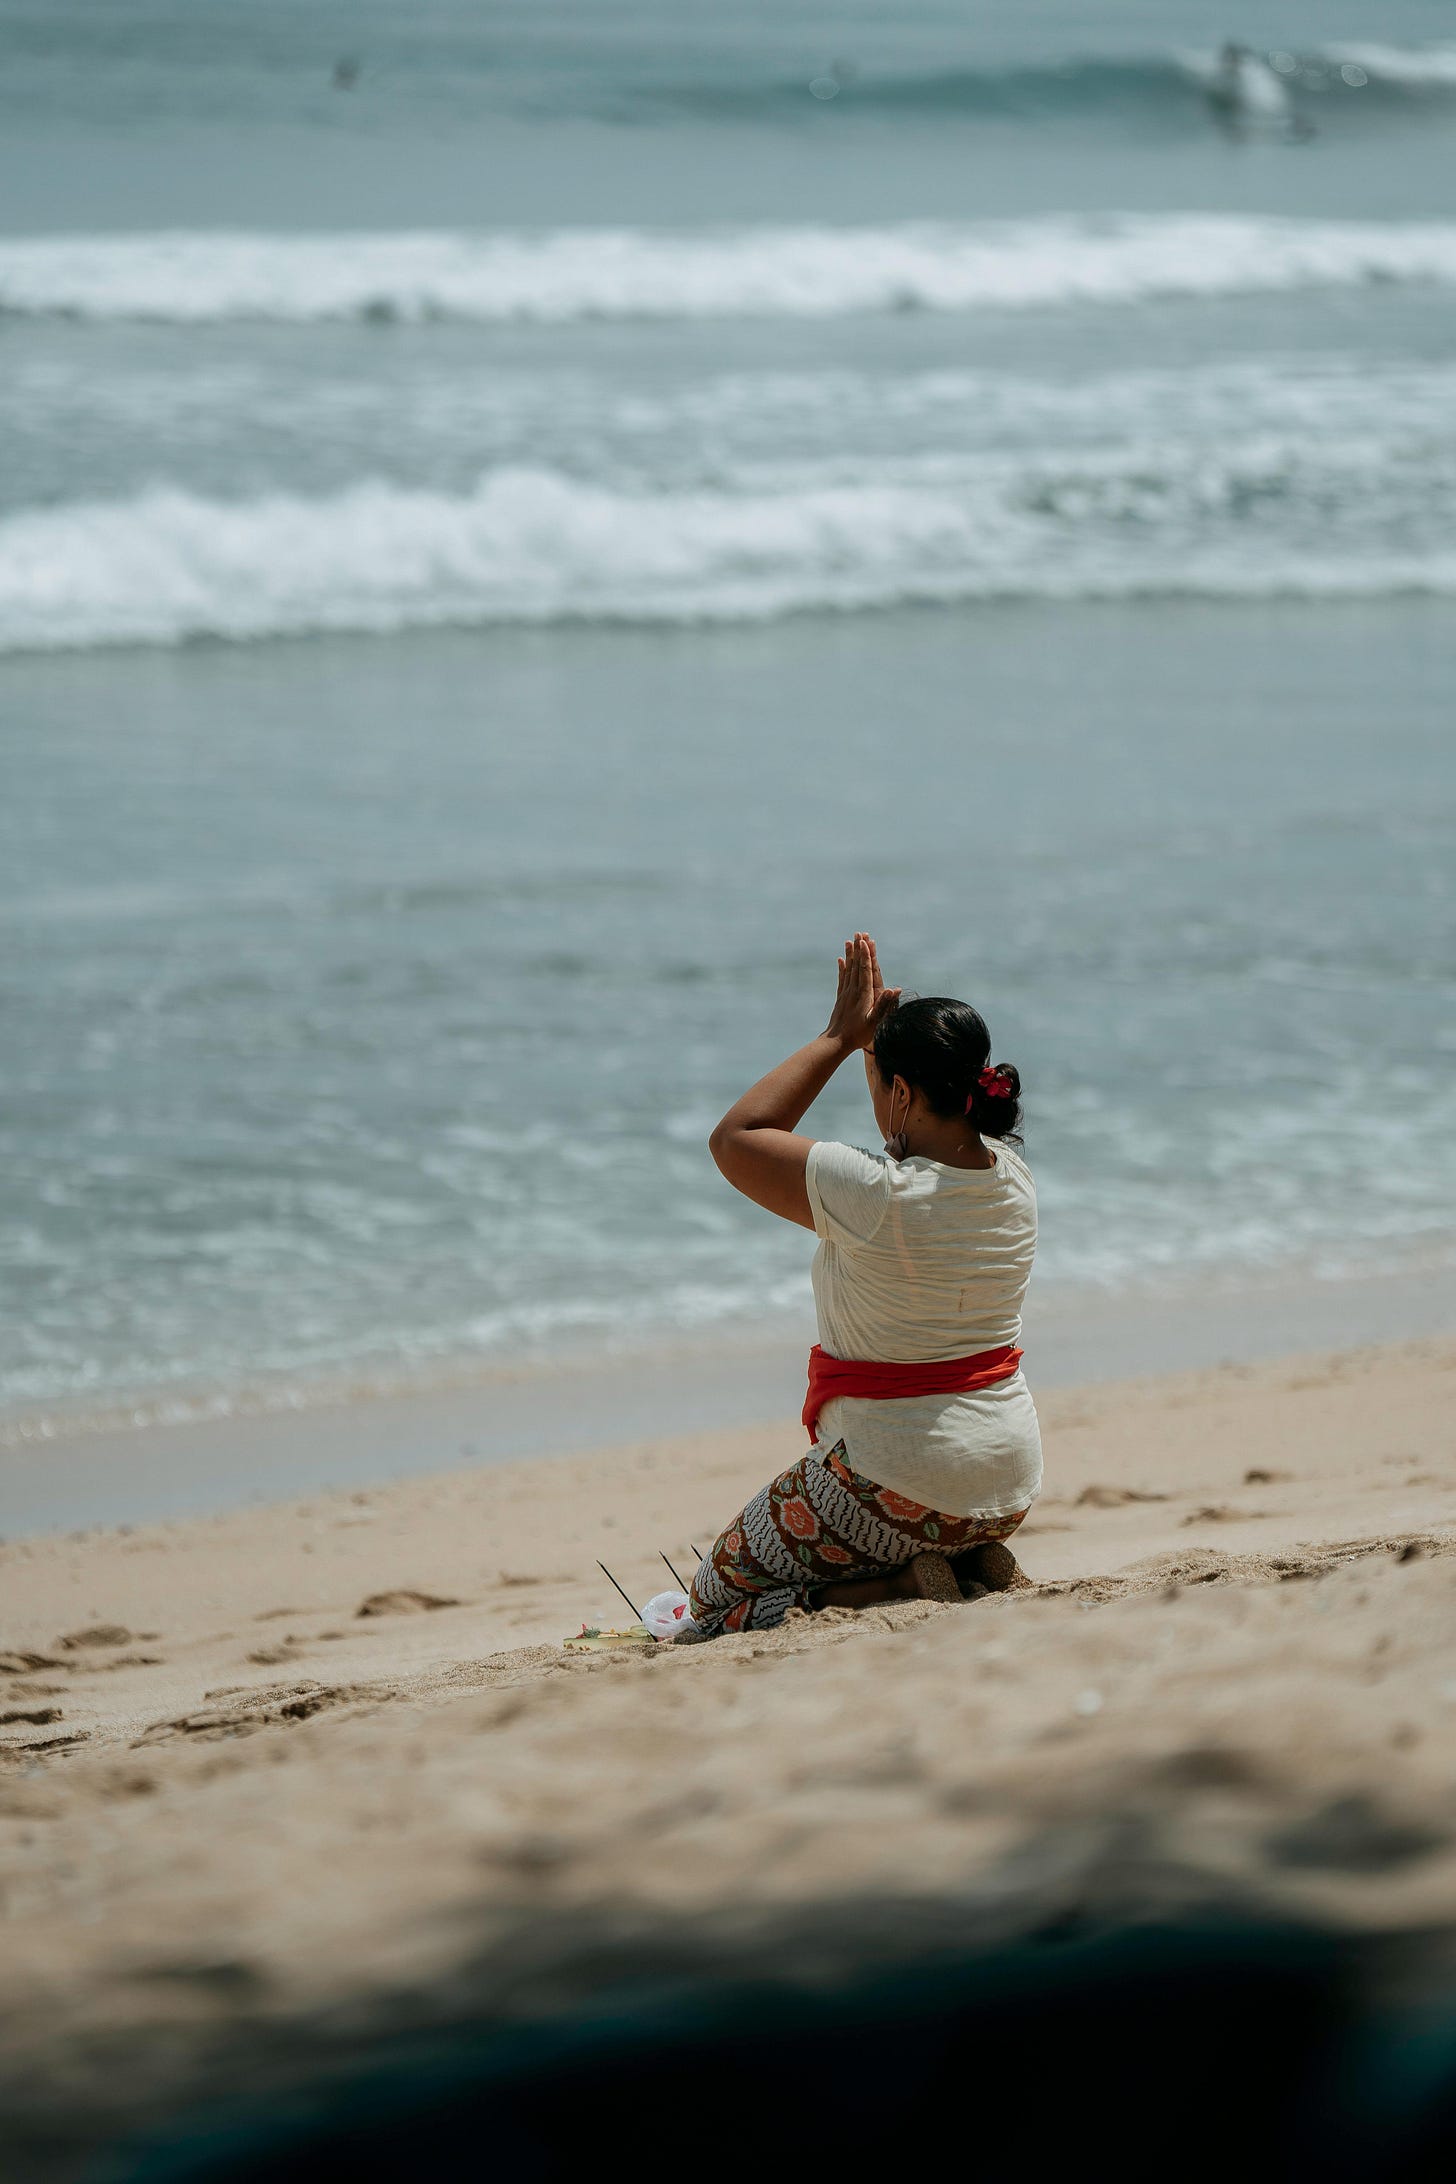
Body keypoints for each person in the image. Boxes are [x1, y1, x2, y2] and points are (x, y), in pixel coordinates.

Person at [687, 933, 1041, 1638]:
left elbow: (736, 1136)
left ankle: (892, 1585)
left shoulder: (875, 1194)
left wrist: (839, 1037)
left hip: (893, 1486)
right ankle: (965, 1562)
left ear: (902, 1093)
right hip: (1006, 1482)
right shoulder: (1013, 1175)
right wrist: (872, 1052)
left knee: (711, 1601)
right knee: (890, 1516)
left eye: (878, 1084)